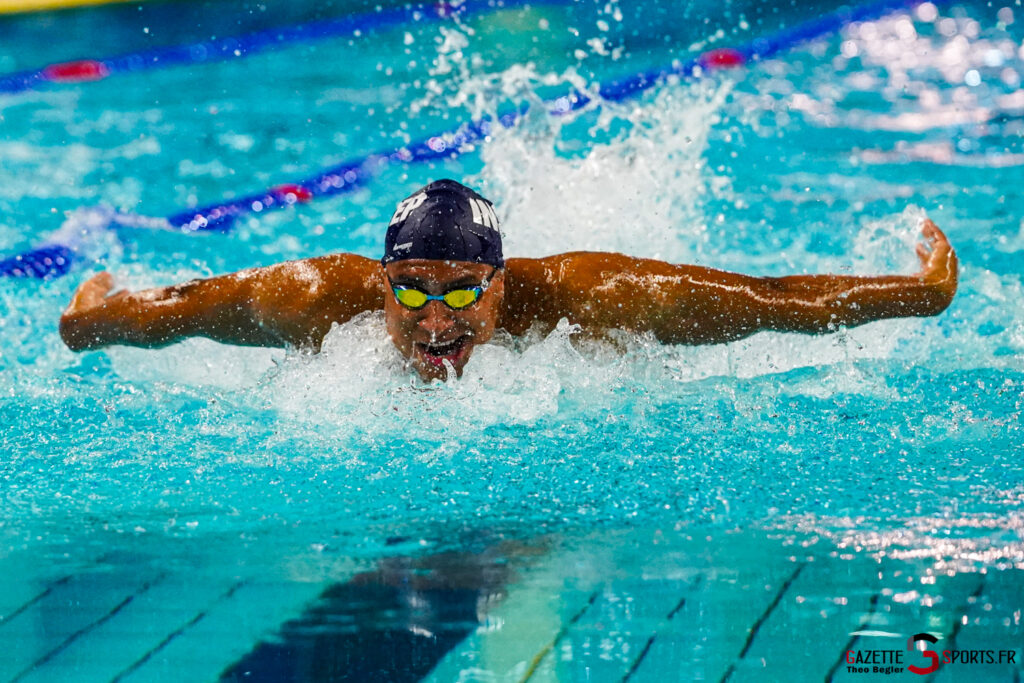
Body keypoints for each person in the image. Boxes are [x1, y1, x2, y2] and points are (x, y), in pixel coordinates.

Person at [60, 179, 958, 382]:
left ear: (498, 284)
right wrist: (88, 318)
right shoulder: (312, 298)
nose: (434, 319)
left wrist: (921, 293)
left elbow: (772, 303)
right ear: (381, 282)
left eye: (460, 290)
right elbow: (171, 313)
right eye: (411, 289)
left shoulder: (593, 297)